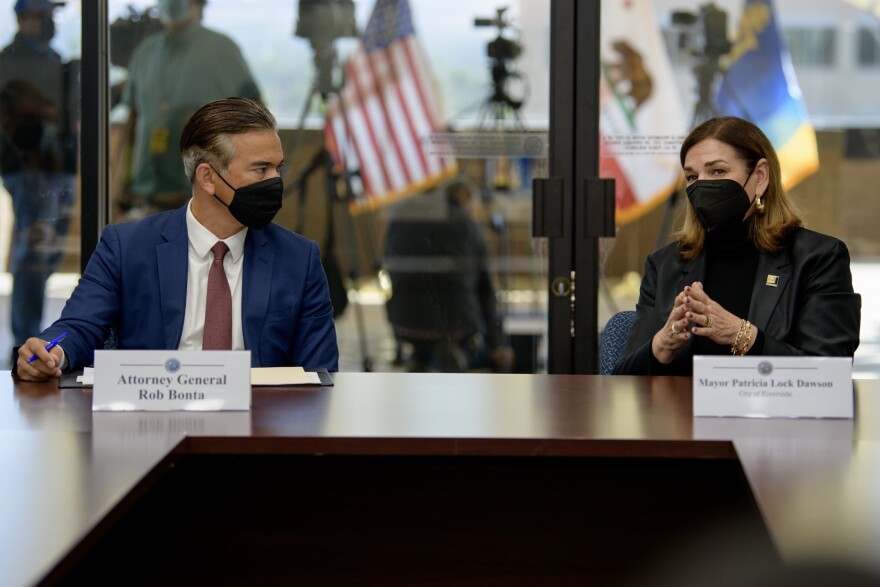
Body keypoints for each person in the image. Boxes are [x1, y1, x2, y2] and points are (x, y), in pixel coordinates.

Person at [15, 97, 339, 381]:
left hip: (258, 430)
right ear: (208, 178)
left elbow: (321, 372)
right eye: (261, 169)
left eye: (278, 168)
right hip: (152, 423)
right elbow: (79, 326)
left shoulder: (299, 258)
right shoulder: (126, 247)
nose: (276, 182)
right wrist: (50, 352)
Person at [613, 116, 861, 375]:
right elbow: (623, 381)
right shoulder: (665, 265)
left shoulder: (818, 259)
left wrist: (742, 335)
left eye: (718, 171)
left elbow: (830, 373)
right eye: (691, 176)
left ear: (760, 177)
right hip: (681, 415)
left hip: (777, 415)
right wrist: (662, 344)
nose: (702, 185)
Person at [120, 0, 260, 214]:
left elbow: (256, 115)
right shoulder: (146, 52)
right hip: (151, 193)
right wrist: (126, 180)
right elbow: (133, 120)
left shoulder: (221, 49)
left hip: (207, 194)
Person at [0, 0, 76, 349]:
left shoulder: (51, 58)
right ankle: (25, 342)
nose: (48, 21)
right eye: (41, 15)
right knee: (33, 255)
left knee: (46, 253)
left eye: (51, 15)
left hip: (57, 168)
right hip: (30, 170)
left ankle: (31, 336)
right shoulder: (12, 59)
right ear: (22, 17)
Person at [384, 178, 514, 372]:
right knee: (482, 352)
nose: (474, 213)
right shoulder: (466, 223)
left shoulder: (402, 218)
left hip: (404, 323)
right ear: (463, 198)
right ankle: (451, 356)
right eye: (474, 207)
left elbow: (388, 265)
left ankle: (422, 356)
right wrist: (498, 344)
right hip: (455, 326)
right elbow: (485, 288)